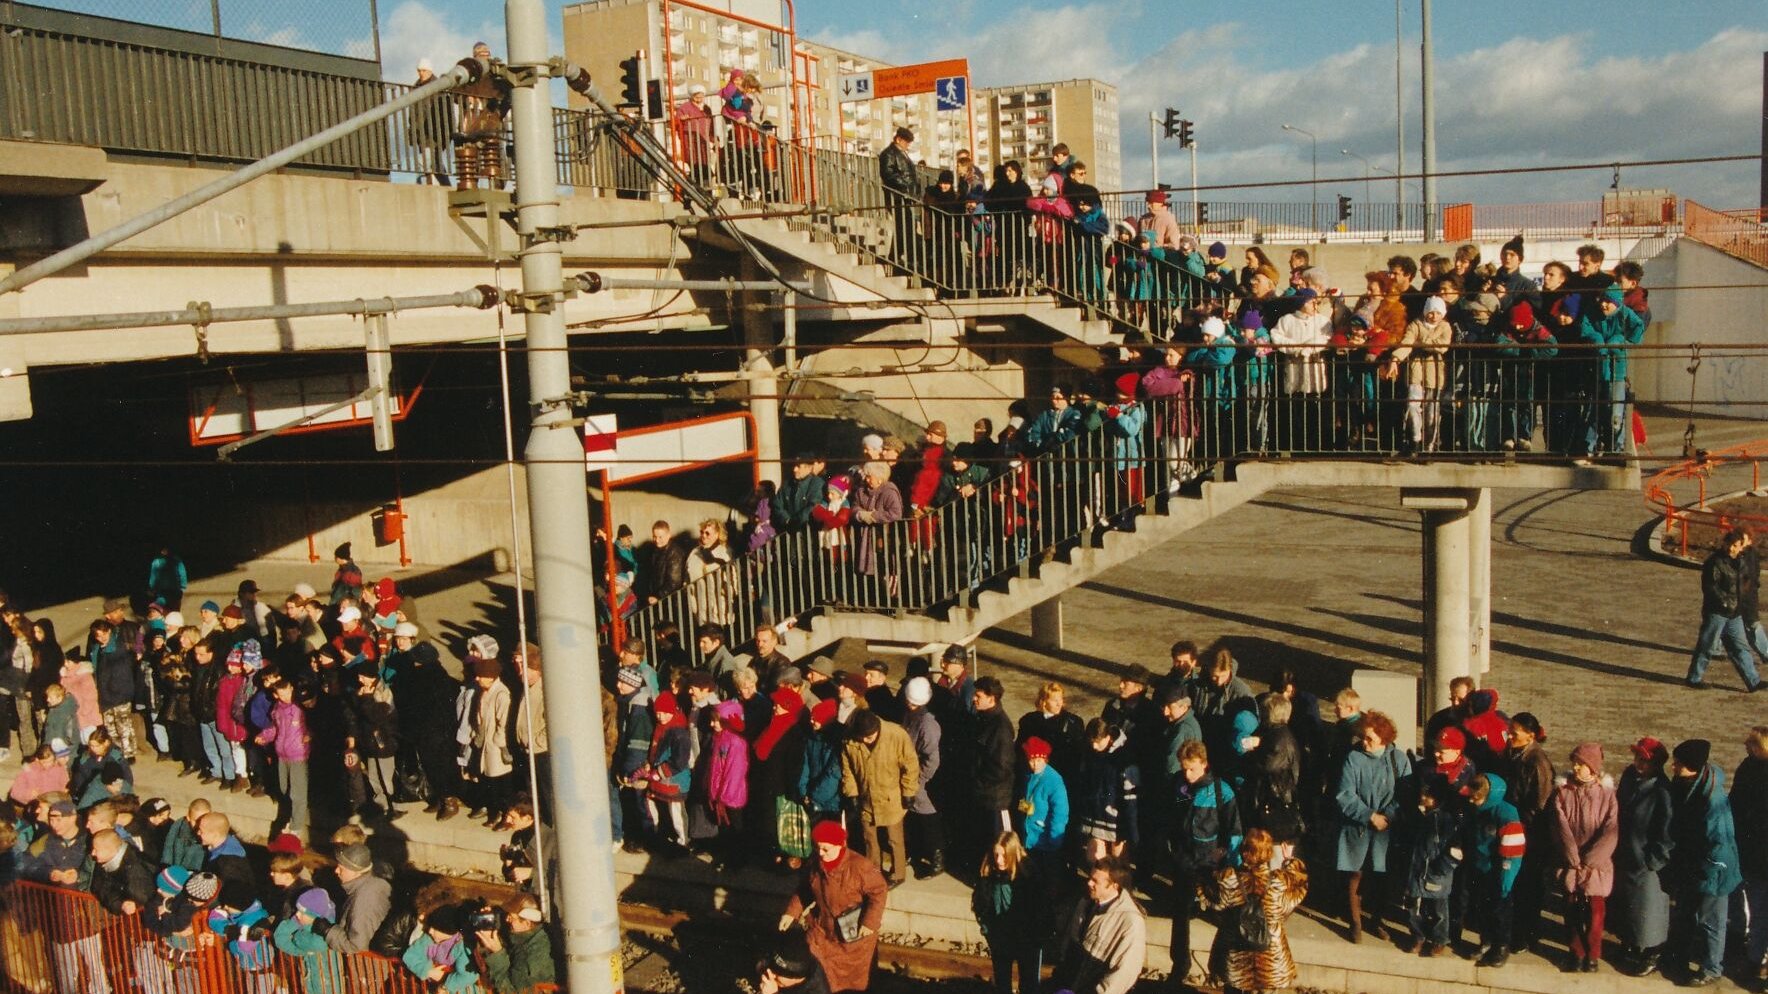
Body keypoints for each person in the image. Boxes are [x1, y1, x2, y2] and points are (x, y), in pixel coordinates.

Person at [1665, 738, 1742, 987]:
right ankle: (1679, 958)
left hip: (1713, 869)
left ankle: (1712, 968)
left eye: (1678, 763)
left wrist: (1708, 869)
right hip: (1693, 864)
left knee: (1712, 921)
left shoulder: (1712, 799)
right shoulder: (1687, 784)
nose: (1673, 766)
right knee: (1686, 914)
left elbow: (1719, 842)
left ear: (1693, 767)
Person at [780, 819, 888, 993]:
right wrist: (791, 912)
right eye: (818, 848)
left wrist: (869, 922)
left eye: (825, 849)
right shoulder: (816, 863)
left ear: (840, 845)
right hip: (822, 930)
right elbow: (806, 889)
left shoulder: (860, 866)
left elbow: (879, 891)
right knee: (820, 971)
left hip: (852, 937)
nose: (821, 853)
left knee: (853, 981)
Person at [1198, 828, 1309, 994]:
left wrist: (1211, 863)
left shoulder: (1229, 878)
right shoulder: (1278, 881)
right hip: (1270, 956)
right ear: (1269, 853)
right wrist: (1290, 860)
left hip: (1237, 955)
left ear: (1244, 851)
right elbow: (1300, 884)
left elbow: (1209, 896)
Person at [1169, 739, 1241, 985]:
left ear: (1204, 764)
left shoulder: (1222, 791)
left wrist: (1229, 859)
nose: (1188, 774)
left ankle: (1220, 968)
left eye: (1193, 769)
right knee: (1180, 915)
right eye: (1184, 768)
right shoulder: (1179, 785)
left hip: (1210, 864)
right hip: (1184, 860)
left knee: (1222, 916)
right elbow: (1172, 819)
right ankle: (1180, 965)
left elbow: (1233, 830)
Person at [1334, 710, 1407, 944]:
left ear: (1383, 740)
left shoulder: (1399, 760)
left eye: (1370, 739)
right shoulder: (1353, 758)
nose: (1364, 743)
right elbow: (1345, 794)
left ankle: (1376, 920)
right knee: (1355, 873)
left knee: (1381, 876)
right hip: (1358, 826)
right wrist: (1369, 815)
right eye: (1363, 738)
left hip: (1386, 827)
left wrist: (1387, 816)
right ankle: (1355, 922)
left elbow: (1405, 793)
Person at [1553, 741, 1618, 973]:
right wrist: (1572, 855)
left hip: (1596, 865)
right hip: (1571, 863)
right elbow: (1560, 826)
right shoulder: (1563, 793)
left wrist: (1591, 858)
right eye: (1575, 763)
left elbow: (1611, 829)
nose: (1577, 768)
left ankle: (1593, 954)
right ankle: (1576, 951)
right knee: (1571, 909)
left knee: (1595, 912)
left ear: (1593, 768)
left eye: (1582, 764)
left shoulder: (1607, 795)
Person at [1050, 855, 1145, 994]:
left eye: (1095, 881)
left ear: (1114, 886)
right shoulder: (1086, 903)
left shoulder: (1131, 923)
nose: (1089, 883)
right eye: (1090, 878)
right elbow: (1070, 944)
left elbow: (1124, 974)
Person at [1687, 527, 1762, 691]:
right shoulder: (1715, 562)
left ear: (1741, 546)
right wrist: (1725, 602)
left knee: (1740, 647)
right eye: (1729, 544)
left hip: (1735, 614)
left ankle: (1753, 680)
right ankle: (1694, 678)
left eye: (1735, 545)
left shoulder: (1742, 561)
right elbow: (1710, 587)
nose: (1731, 548)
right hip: (1717, 612)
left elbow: (1746, 582)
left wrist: (1742, 600)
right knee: (1707, 645)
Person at [1464, 773, 1526, 967]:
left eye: (1477, 798)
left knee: (1500, 911)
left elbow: (1512, 853)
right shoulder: (1477, 810)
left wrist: (1506, 879)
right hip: (1482, 868)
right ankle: (1486, 940)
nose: (1473, 801)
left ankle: (1501, 946)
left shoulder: (1506, 815)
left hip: (1500, 871)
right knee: (1483, 909)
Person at [972, 832, 1044, 994]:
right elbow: (980, 906)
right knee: (1002, 984)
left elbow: (1041, 910)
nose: (999, 860)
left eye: (1004, 856)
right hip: (1001, 939)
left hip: (1027, 940)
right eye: (996, 855)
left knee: (1030, 985)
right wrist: (987, 930)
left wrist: (1036, 937)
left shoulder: (1030, 877)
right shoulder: (988, 875)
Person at [1397, 778, 1462, 957]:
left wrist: (1442, 867)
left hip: (1436, 873)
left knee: (1439, 910)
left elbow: (1455, 849)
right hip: (1416, 871)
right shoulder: (1418, 817)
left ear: (1436, 799)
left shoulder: (1445, 821)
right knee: (1413, 907)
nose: (1422, 796)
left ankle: (1439, 939)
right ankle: (1418, 936)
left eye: (1427, 795)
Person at [1732, 726, 1768, 989]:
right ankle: (1756, 958)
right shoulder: (1747, 768)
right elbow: (1735, 803)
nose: (1747, 747)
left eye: (1752, 744)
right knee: (1758, 911)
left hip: (1758, 851)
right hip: (1755, 854)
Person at [899, 676, 944, 878]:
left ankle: (937, 858)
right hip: (911, 775)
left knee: (927, 816)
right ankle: (921, 852)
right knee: (916, 816)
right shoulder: (914, 717)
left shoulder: (926, 724)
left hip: (919, 778)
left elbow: (932, 759)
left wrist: (920, 780)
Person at [477, 892, 555, 994]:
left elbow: (509, 991)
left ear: (527, 923)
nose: (506, 919)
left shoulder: (532, 959)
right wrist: (489, 918)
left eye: (511, 917)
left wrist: (497, 953)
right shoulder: (534, 935)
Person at [674, 84, 714, 186]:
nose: (699, 100)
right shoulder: (685, 107)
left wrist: (713, 139)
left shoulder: (706, 108)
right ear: (692, 96)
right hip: (690, 142)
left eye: (701, 97)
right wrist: (681, 119)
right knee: (695, 164)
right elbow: (675, 122)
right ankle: (695, 189)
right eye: (697, 97)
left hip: (703, 141)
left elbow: (711, 125)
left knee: (704, 164)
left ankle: (701, 188)